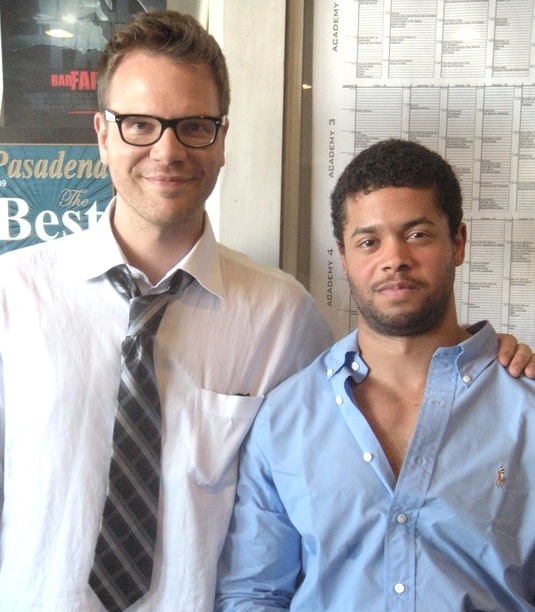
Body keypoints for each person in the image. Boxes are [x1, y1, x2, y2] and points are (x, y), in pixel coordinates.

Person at [0, 10, 337, 612]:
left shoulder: (286, 318)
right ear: (102, 135)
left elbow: (322, 500)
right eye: (139, 124)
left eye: (194, 126)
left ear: (222, 138)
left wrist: (482, 363)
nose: (168, 149)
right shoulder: (12, 297)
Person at [216, 139, 535, 611]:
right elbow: (254, 593)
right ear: (344, 260)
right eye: (369, 241)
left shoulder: (524, 406)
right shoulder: (285, 417)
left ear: (459, 243)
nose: (394, 259)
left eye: (418, 234)